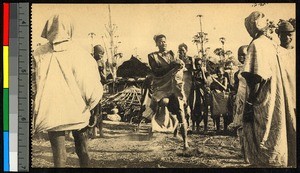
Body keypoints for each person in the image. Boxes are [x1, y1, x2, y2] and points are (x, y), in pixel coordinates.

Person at [32, 14, 103, 167]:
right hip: (78, 108)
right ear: (70, 29)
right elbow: (88, 84)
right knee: (82, 148)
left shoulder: (38, 53)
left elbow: (35, 83)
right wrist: (92, 106)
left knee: (59, 155)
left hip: (51, 110)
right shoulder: (80, 53)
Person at [241, 11, 296, 167]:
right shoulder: (271, 43)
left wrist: (250, 105)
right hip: (275, 96)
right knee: (275, 134)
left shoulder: (257, 45)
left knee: (261, 137)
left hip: (263, 98)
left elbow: (255, 78)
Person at [148, 34, 189, 149]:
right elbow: (156, 72)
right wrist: (171, 66)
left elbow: (178, 64)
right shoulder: (152, 56)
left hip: (173, 87)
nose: (163, 43)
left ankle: (186, 143)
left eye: (164, 41)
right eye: (160, 42)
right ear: (156, 44)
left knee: (181, 112)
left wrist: (180, 64)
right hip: (161, 87)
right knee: (162, 103)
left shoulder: (171, 54)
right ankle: (153, 124)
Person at [231, 45, 249, 163]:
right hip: (240, 99)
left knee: (249, 126)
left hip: (249, 98)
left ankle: (249, 152)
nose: (242, 57)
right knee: (240, 126)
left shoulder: (251, 69)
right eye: (239, 55)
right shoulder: (237, 72)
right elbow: (235, 87)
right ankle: (244, 152)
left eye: (244, 54)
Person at [178, 43, 194, 130]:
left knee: (187, 103)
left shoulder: (191, 59)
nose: (181, 52)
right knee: (180, 103)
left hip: (188, 82)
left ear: (186, 50)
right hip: (179, 82)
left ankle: (188, 123)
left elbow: (194, 71)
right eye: (179, 50)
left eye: (183, 50)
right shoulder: (176, 59)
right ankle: (181, 124)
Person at [192, 58, 210, 133]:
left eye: (200, 64)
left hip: (203, 92)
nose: (198, 66)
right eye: (197, 65)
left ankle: (205, 127)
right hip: (196, 92)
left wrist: (202, 72)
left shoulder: (206, 72)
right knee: (196, 109)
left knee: (204, 110)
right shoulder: (194, 72)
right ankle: (197, 127)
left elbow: (206, 82)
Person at [210, 66, 230, 133]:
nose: (219, 74)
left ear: (223, 72)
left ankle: (225, 129)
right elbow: (211, 87)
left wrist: (216, 82)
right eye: (218, 72)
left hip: (223, 96)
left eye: (220, 72)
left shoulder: (225, 78)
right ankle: (218, 128)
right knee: (217, 113)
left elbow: (224, 87)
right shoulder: (215, 79)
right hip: (216, 97)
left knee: (224, 113)